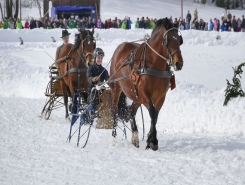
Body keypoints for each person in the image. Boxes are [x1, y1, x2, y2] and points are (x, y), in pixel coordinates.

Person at [86, 48, 109, 114]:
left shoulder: (104, 70)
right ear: (95, 58)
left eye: (101, 58)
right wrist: (93, 79)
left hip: (102, 92)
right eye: (98, 58)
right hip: (91, 94)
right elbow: (89, 78)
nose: (100, 60)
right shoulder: (90, 69)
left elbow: (108, 80)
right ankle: (94, 111)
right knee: (95, 94)